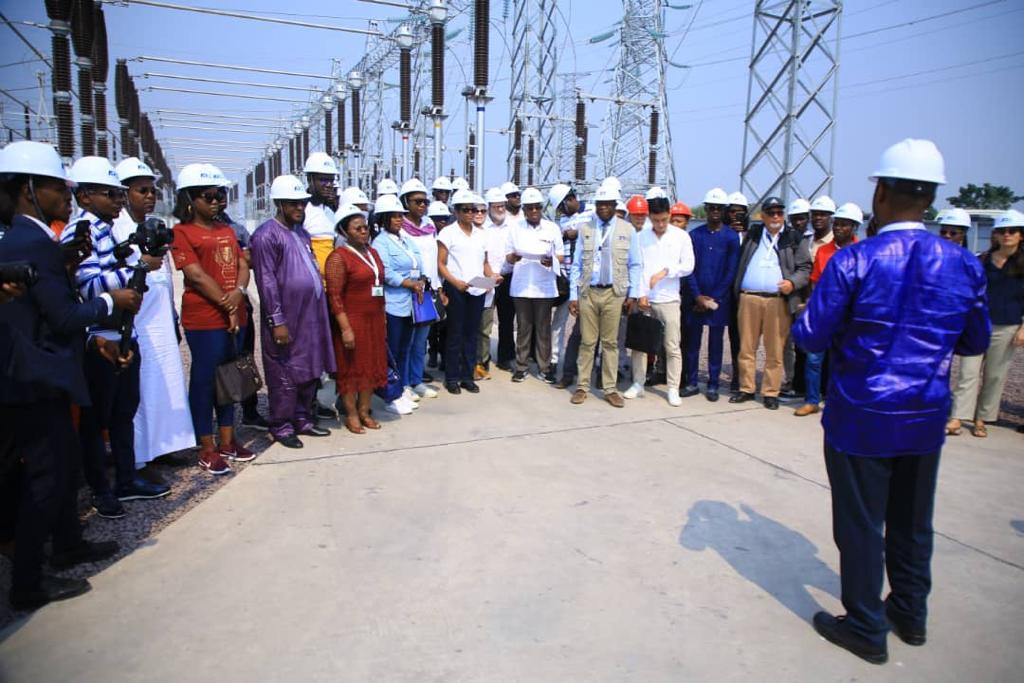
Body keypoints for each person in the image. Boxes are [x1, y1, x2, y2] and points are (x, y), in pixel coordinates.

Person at [793, 138, 990, 665]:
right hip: (924, 416)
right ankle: (909, 612)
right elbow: (974, 340)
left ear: (880, 192)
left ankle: (865, 626)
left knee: (861, 524)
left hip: (861, 417)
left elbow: (810, 335)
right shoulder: (963, 264)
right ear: (930, 198)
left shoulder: (855, 261)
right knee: (913, 521)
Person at [0, 141, 139, 609]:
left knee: (64, 466)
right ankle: (27, 584)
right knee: (48, 475)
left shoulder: (31, 242)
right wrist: (110, 302)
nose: (67, 196)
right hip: (36, 379)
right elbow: (60, 316)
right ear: (28, 190)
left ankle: (67, 544)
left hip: (39, 372)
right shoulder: (31, 243)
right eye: (59, 188)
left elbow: (41, 310)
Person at [62, 156, 171, 512]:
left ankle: (126, 479)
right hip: (100, 339)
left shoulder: (105, 229)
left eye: (119, 194)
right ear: (85, 196)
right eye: (110, 194)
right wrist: (138, 267)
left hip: (123, 333)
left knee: (124, 411)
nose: (118, 201)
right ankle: (101, 489)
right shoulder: (82, 231)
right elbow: (90, 287)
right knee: (96, 420)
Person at [111, 157, 194, 472]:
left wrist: (172, 317)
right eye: (141, 190)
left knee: (165, 383)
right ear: (124, 193)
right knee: (140, 391)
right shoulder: (117, 229)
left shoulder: (152, 226)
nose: (149, 196)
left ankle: (164, 445)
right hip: (137, 324)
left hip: (160, 319)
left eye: (151, 191)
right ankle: (140, 456)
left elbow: (165, 278)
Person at [170, 163, 254, 475]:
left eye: (220, 195)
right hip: (205, 318)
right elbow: (195, 275)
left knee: (229, 377)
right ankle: (206, 446)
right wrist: (227, 304)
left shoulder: (226, 230)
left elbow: (243, 264)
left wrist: (239, 293)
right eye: (209, 196)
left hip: (234, 312)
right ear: (190, 199)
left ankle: (228, 440)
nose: (217, 201)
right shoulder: (181, 233)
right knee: (205, 380)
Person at [250, 175, 335, 448]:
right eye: (293, 204)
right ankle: (282, 425)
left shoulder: (301, 233)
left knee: (309, 368)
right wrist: (277, 320)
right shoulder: (266, 236)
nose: (299, 208)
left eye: (302, 203)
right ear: (279, 204)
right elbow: (266, 281)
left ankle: (302, 419)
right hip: (287, 315)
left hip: (310, 314)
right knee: (284, 371)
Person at [729, 196, 811, 410]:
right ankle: (746, 388)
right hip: (749, 297)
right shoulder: (754, 234)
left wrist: (792, 283)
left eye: (779, 213)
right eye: (771, 213)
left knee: (774, 350)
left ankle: (770, 392)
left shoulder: (793, 238)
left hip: (777, 300)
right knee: (746, 347)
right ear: (763, 216)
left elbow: (805, 268)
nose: (776, 217)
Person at [948, 209, 1024, 437]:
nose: (1007, 235)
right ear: (995, 235)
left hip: (1007, 326)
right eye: (1002, 231)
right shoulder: (981, 260)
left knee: (995, 375)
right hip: (978, 325)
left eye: (1012, 231)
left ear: (1021, 235)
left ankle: (981, 418)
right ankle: (957, 417)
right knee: (968, 373)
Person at [567, 183, 641, 407]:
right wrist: (573, 296)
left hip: (614, 293)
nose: (603, 208)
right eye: (600, 204)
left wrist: (633, 294)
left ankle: (610, 389)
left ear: (614, 205)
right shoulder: (586, 229)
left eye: (608, 204)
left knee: (610, 343)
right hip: (589, 292)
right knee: (587, 342)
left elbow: (635, 264)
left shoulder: (627, 230)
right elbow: (577, 265)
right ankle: (582, 387)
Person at [623, 190, 694, 405]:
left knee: (672, 345)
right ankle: (638, 383)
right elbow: (637, 267)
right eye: (656, 220)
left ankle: (672, 387)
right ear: (650, 217)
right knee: (640, 345)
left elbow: (688, 266)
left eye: (664, 220)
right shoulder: (641, 237)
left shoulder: (681, 237)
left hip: (669, 298)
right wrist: (640, 294)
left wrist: (666, 271)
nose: (660, 224)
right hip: (646, 299)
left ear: (669, 215)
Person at [793, 202, 861, 417]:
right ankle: (812, 401)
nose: (839, 228)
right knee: (814, 359)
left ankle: (838, 402)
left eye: (845, 224)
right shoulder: (824, 251)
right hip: (823, 314)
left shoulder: (862, 252)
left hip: (849, 317)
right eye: (837, 224)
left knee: (844, 360)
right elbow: (815, 282)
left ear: (854, 227)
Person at [326, 205, 388, 434]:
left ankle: (364, 411)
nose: (364, 231)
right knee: (351, 369)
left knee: (371, 366)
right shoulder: (338, 258)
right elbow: (334, 297)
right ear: (344, 231)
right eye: (357, 228)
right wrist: (345, 329)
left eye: (365, 227)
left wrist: (383, 318)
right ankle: (351, 414)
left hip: (374, 319)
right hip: (352, 321)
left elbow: (379, 286)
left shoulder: (373, 253)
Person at [682, 188, 742, 402]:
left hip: (719, 300)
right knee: (692, 344)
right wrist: (698, 296)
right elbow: (688, 268)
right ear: (706, 209)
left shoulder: (731, 237)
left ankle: (713, 384)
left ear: (724, 210)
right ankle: (691, 382)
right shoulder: (694, 235)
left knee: (716, 343)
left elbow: (731, 271)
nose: (715, 211)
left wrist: (713, 298)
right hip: (695, 298)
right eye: (711, 207)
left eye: (719, 208)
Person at [372, 192, 425, 415]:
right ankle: (389, 395)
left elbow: (417, 261)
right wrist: (409, 283)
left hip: (410, 302)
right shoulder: (380, 242)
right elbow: (385, 271)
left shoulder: (405, 238)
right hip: (393, 303)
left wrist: (421, 279)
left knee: (405, 348)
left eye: (400, 215)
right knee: (392, 352)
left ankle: (401, 389)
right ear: (383, 218)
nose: (398, 219)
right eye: (393, 216)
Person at [438, 190, 495, 394]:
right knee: (455, 334)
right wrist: (455, 282)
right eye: (466, 210)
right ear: (456, 211)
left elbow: (485, 262)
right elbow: (441, 263)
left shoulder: (481, 234)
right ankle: (452, 377)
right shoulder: (448, 233)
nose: (471, 213)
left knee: (472, 335)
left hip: (477, 289)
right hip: (457, 288)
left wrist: (492, 277)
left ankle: (467, 376)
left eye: (474, 209)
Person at [505, 187, 563, 383]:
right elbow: (508, 256)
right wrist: (514, 257)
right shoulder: (515, 228)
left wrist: (551, 260)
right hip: (521, 286)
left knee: (543, 329)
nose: (534, 211)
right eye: (529, 208)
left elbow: (560, 255)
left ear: (541, 208)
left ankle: (544, 368)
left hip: (544, 286)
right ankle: (521, 366)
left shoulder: (552, 228)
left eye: (537, 207)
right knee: (523, 328)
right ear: (524, 210)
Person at [399, 179, 440, 400]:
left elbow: (433, 258)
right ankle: (404, 383)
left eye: (425, 201)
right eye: (417, 201)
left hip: (428, 290)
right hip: (409, 290)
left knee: (421, 341)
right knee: (407, 340)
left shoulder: (430, 225)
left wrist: (438, 287)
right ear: (406, 202)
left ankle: (416, 380)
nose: (423, 205)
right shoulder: (400, 227)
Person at [549, 183, 591, 387]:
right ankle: (554, 361)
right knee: (558, 323)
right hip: (566, 279)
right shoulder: (564, 220)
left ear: (570, 200)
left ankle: (580, 369)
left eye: (561, 208)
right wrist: (565, 235)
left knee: (583, 330)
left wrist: (578, 232)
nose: (561, 213)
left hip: (587, 281)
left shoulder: (592, 211)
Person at [478, 186, 514, 377]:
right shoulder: (481, 227)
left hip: (507, 277)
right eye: (497, 206)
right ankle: (482, 360)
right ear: (489, 207)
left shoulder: (513, 226)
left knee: (507, 320)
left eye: (503, 206)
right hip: (486, 278)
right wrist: (488, 276)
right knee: (484, 321)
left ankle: (505, 358)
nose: (501, 209)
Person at [424, 200, 451, 374]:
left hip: (447, 283)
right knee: (432, 325)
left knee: (446, 324)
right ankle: (433, 353)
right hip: (432, 285)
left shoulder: (449, 236)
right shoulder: (428, 238)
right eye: (438, 218)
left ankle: (444, 356)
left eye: (445, 218)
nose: (442, 222)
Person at [301, 152, 339, 272]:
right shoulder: (301, 208)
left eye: (331, 180)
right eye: (323, 180)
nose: (328, 185)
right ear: (310, 179)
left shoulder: (332, 209)